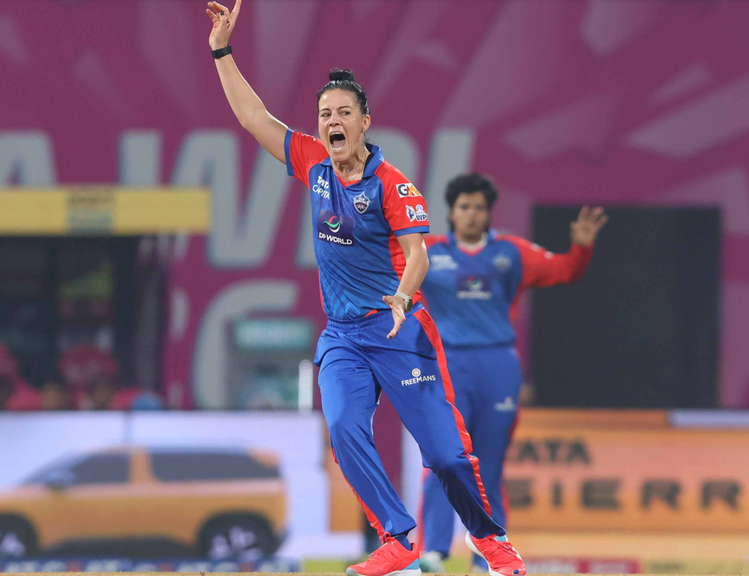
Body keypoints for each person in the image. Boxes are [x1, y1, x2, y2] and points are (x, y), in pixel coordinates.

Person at [206, 3, 525, 575]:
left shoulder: (392, 185)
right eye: (324, 113)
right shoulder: (312, 163)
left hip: (400, 331)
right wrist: (221, 51)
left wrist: (402, 296)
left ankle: (491, 541)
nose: (332, 121)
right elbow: (254, 117)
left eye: (343, 113)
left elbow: (419, 255)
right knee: (343, 430)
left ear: (364, 122)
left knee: (447, 456)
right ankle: (398, 537)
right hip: (343, 337)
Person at [417, 173, 607, 572]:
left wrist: (582, 248)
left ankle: (486, 556)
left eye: (479, 207)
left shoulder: (511, 252)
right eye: (464, 207)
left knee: (488, 464)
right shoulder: (427, 252)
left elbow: (566, 270)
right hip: (447, 365)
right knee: (443, 457)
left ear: (489, 213)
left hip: (497, 366)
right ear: (451, 211)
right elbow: (384, 271)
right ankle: (433, 551)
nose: (471, 214)